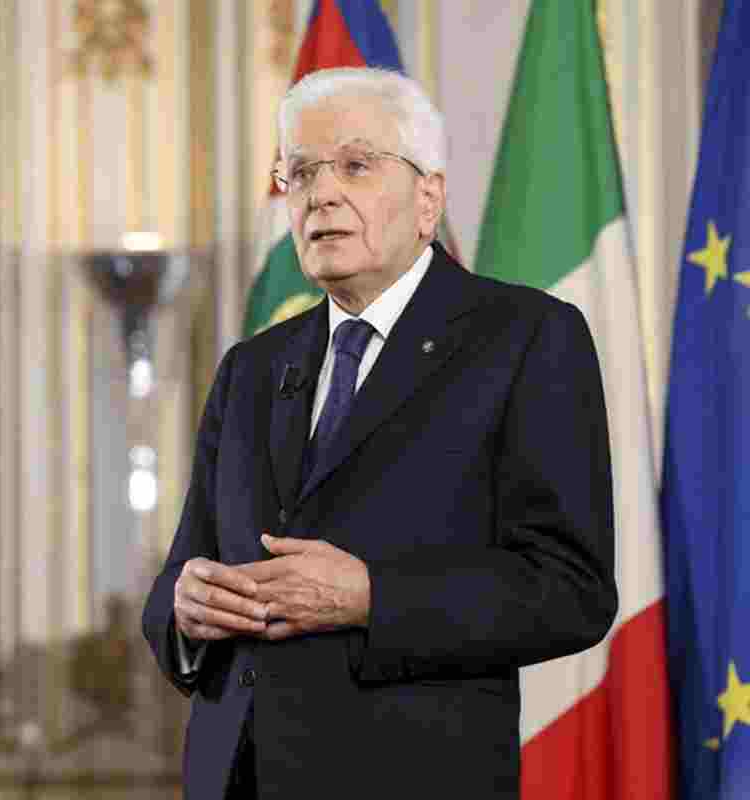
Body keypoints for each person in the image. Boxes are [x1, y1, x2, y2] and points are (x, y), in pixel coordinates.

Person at [141, 66, 617, 799]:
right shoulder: (252, 368)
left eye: (356, 166)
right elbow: (182, 574)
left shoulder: (524, 337)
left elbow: (570, 591)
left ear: (429, 198)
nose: (320, 194)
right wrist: (185, 608)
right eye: (300, 173)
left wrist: (372, 596)